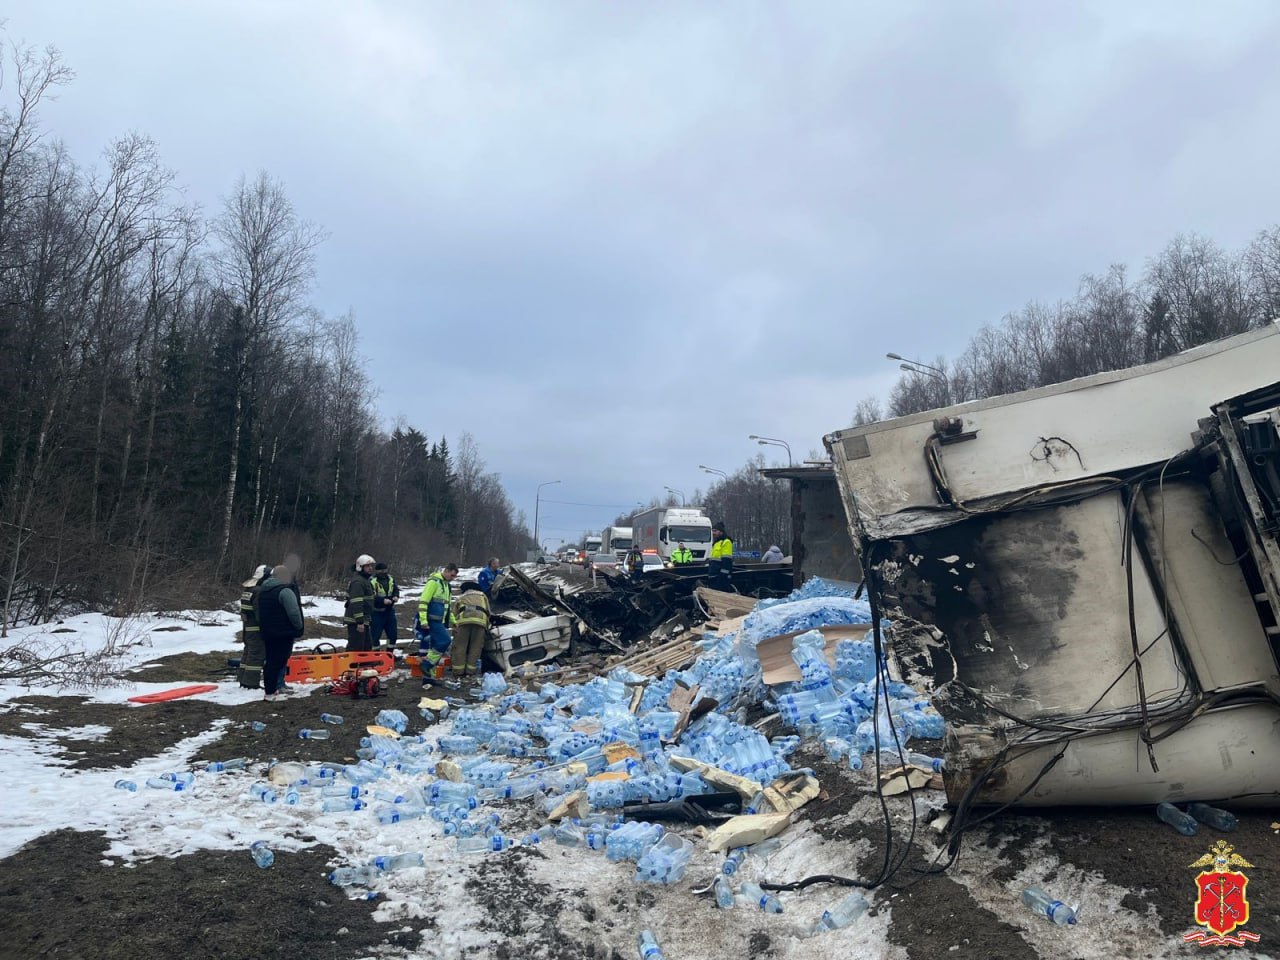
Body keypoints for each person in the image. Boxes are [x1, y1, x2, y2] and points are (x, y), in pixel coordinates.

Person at [257, 563, 304, 701]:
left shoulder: (263, 590)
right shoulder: (284, 591)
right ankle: (271, 692)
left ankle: (270, 690)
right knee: (277, 662)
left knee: (270, 662)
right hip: (283, 633)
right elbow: (294, 612)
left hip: (268, 632)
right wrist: (298, 627)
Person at [418, 563, 458, 683]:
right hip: (432, 620)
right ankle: (426, 664)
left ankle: (428, 678)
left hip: (439, 621)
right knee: (445, 641)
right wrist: (423, 620)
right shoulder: (434, 583)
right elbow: (423, 602)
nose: (453, 578)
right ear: (446, 571)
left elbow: (448, 607)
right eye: (452, 575)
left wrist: (453, 622)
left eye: (454, 577)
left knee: (434, 648)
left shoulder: (447, 586)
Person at [237, 564, 270, 689]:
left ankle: (242, 679)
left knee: (248, 654)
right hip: (256, 630)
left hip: (247, 629)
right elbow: (260, 614)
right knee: (256, 655)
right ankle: (251, 683)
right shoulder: (259, 591)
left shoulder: (248, 590)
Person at [450, 581, 490, 683]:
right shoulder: (482, 596)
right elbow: (488, 612)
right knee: (475, 647)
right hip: (480, 623)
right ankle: (470, 672)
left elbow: (454, 613)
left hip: (463, 623)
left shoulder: (461, 597)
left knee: (460, 646)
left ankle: (458, 672)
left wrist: (454, 626)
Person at [344, 554, 377, 652]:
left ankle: (364, 666)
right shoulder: (358, 582)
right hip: (356, 621)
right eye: (367, 566)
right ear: (360, 567)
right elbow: (357, 602)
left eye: (371, 566)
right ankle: (351, 666)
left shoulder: (365, 580)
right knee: (357, 648)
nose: (370, 568)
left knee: (366, 648)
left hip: (364, 620)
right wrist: (359, 622)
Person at [370, 561, 400, 650]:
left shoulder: (390, 579)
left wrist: (396, 596)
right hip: (377, 612)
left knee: (393, 635)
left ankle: (389, 655)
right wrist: (382, 600)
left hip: (390, 611)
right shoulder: (372, 581)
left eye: (385, 570)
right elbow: (371, 596)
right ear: (377, 571)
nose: (383, 572)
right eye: (381, 571)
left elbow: (396, 589)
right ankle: (375, 656)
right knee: (375, 636)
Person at [709, 522, 734, 591]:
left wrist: (722, 577)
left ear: (721, 532)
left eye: (715, 531)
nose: (713, 533)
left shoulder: (726, 542)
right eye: (712, 531)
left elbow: (727, 562)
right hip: (713, 576)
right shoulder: (716, 543)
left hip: (720, 578)